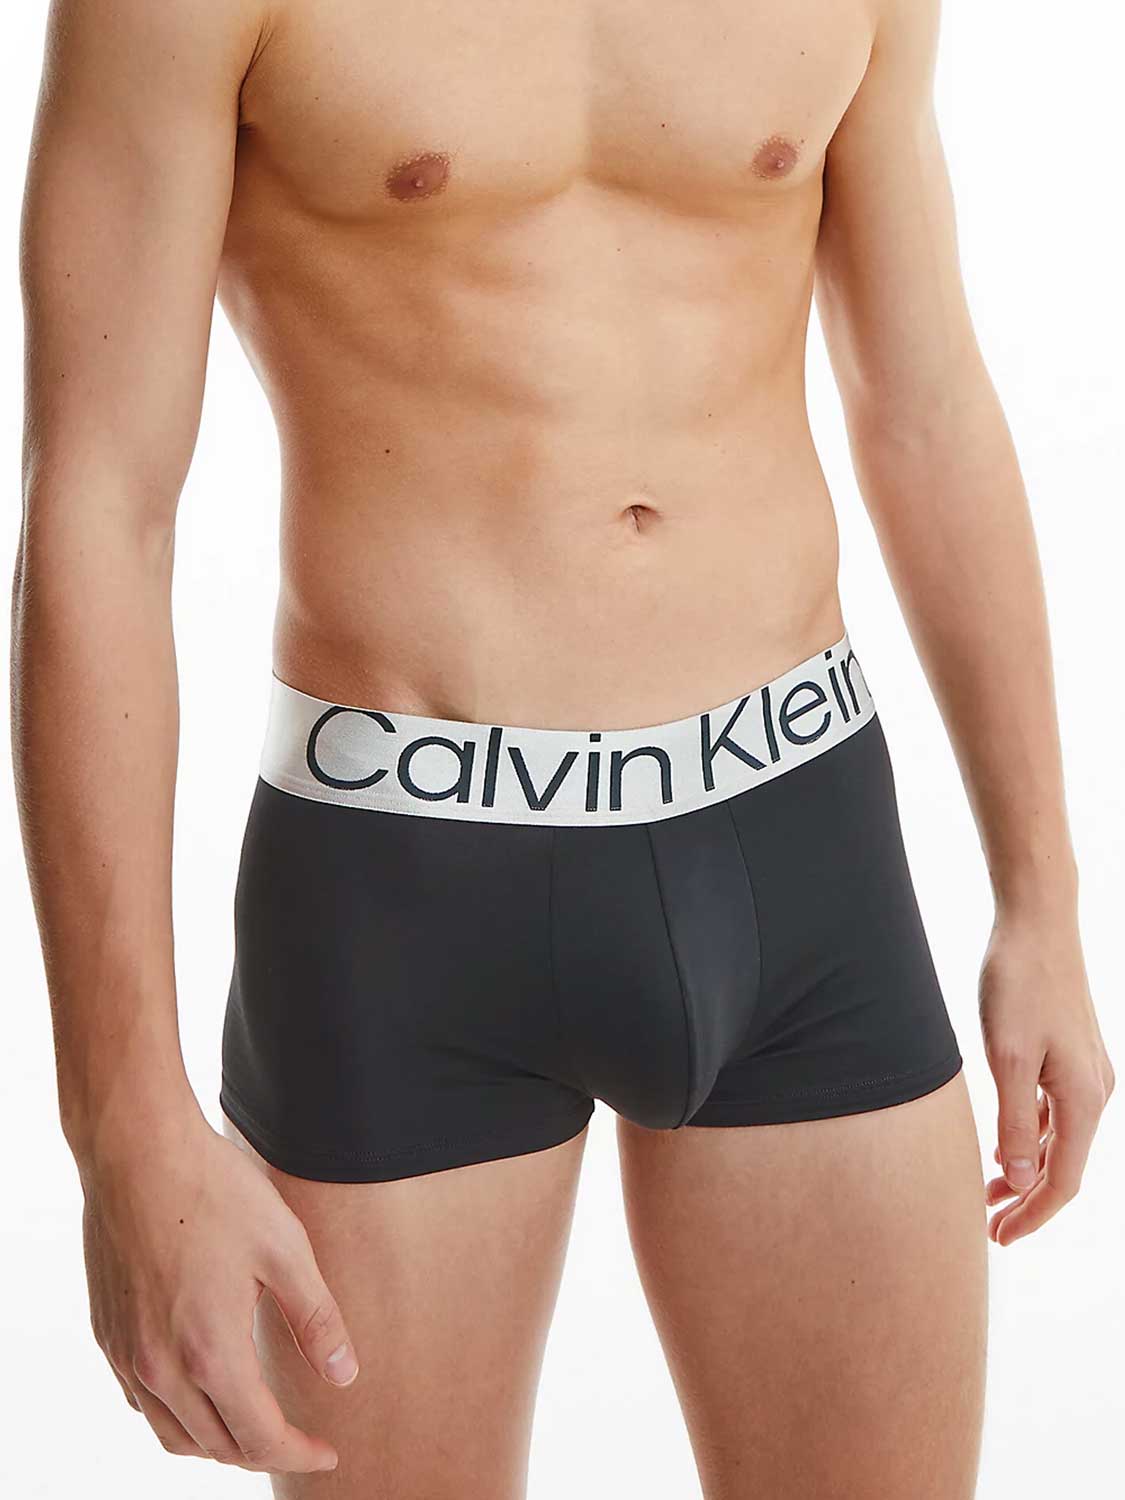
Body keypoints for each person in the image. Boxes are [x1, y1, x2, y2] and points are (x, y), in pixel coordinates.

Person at [12, 0, 1114, 1495]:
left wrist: (1043, 903)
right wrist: (120, 1122)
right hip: (405, 889)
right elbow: (99, 501)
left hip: (799, 849)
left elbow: (923, 406)